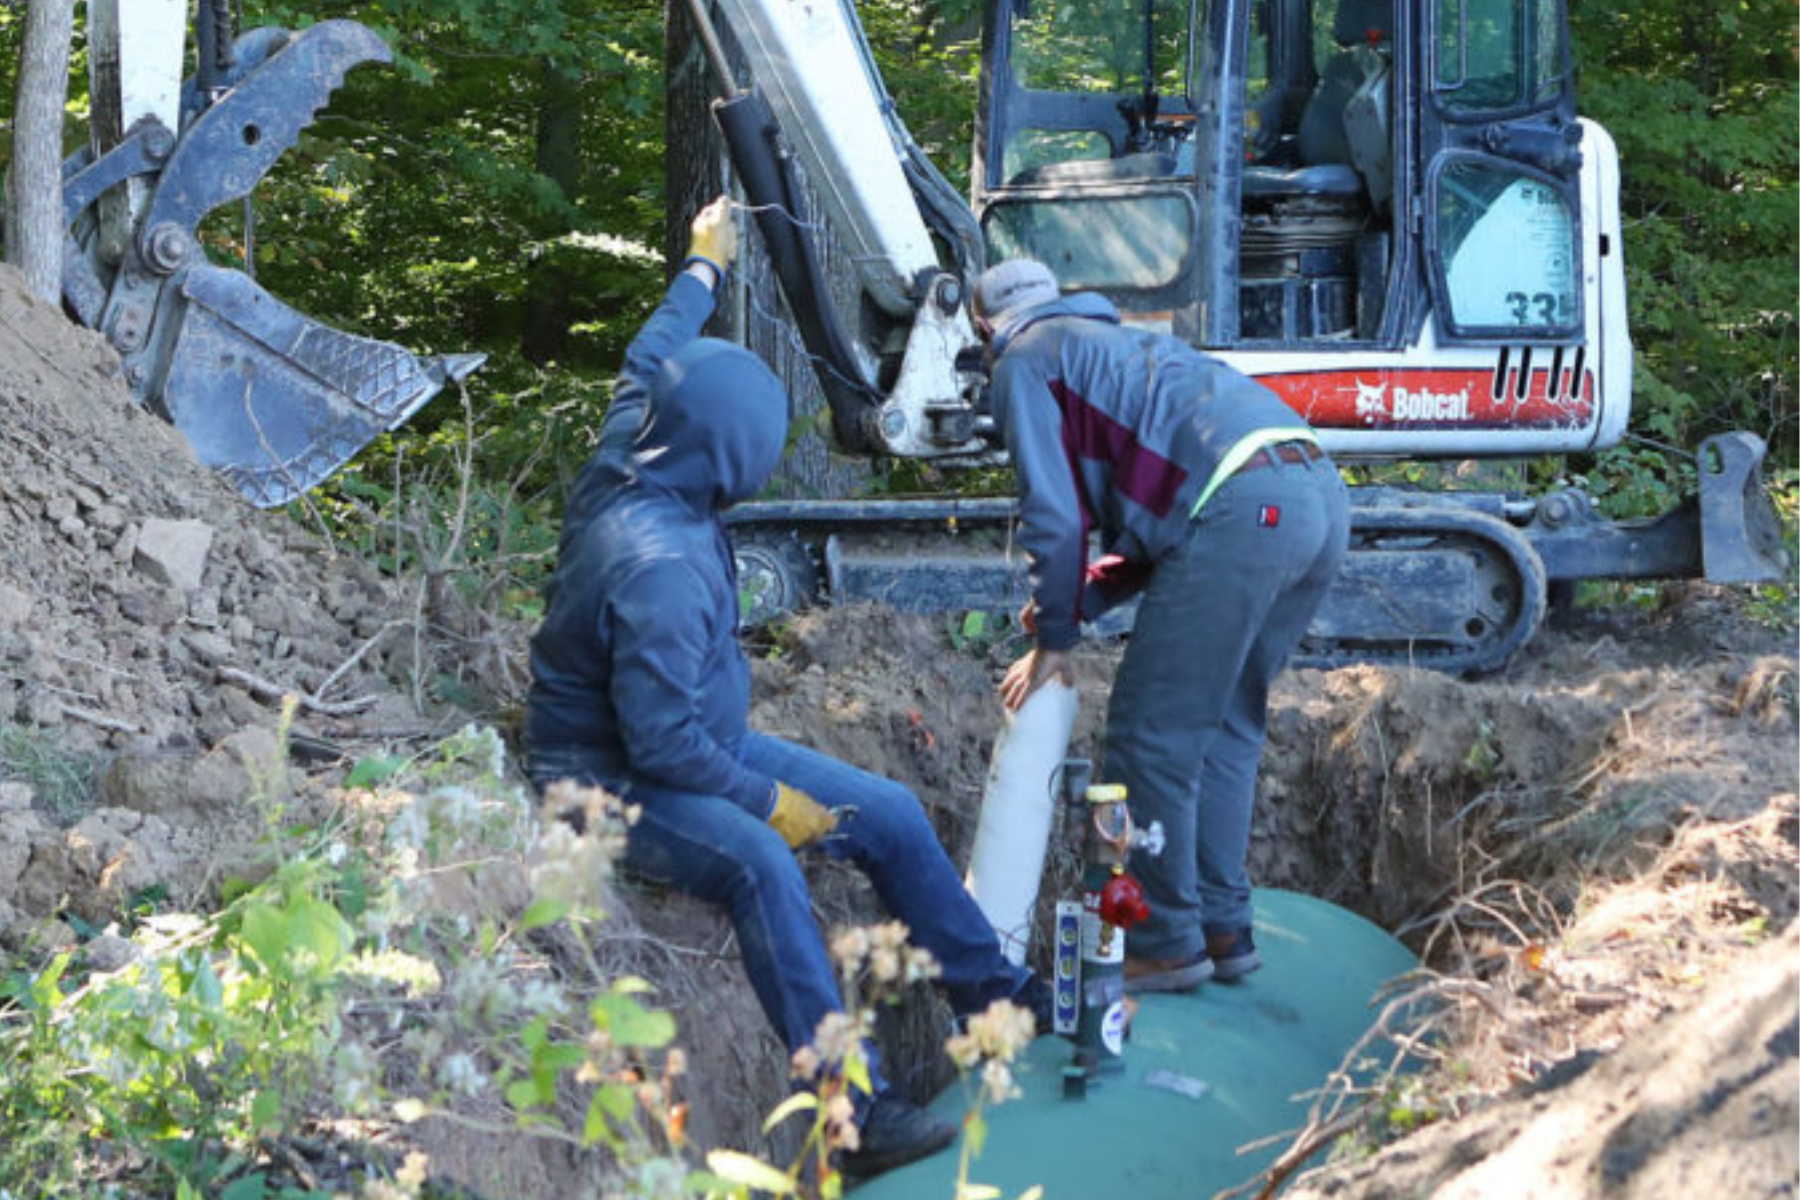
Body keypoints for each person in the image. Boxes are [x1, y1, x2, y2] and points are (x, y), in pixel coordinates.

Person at [525, 198, 1050, 1177]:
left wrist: (703, 266)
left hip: (686, 742)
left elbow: (653, 352)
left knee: (889, 811)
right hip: (598, 776)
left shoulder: (633, 450)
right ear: (732, 463)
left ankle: (998, 1002)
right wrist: (775, 806)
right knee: (762, 866)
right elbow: (661, 749)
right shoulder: (659, 566)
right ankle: (853, 1118)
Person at [972, 258, 1349, 994]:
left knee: (1150, 734)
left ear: (984, 329)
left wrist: (1054, 640)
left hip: (1244, 506)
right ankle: (1220, 926)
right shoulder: (1119, 346)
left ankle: (1161, 941)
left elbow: (1055, 516)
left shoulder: (1022, 360)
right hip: (1314, 493)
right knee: (1227, 724)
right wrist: (1077, 602)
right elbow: (1169, 531)